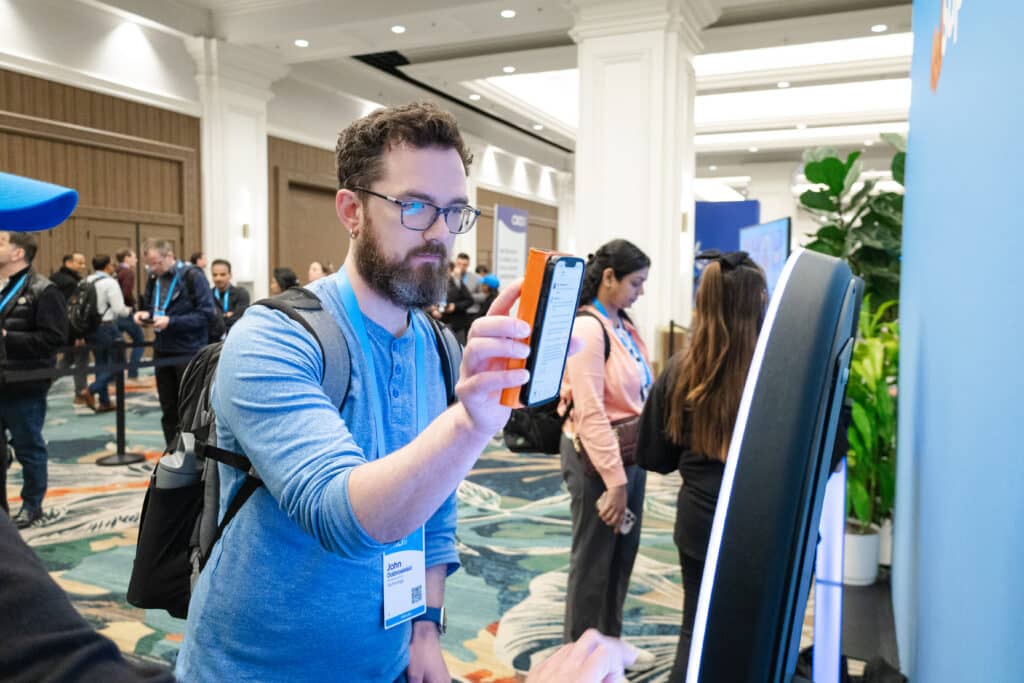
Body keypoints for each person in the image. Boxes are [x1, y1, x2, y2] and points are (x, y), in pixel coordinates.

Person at [175, 101, 534, 682]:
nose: (440, 232)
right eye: (415, 205)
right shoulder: (273, 336)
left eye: (454, 211)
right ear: (351, 209)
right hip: (256, 669)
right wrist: (469, 425)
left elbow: (435, 509)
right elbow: (339, 516)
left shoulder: (439, 345)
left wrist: (424, 629)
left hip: (386, 659)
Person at [636, 250, 766, 680]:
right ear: (761, 302)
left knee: (696, 631)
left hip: (699, 525)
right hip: (763, 526)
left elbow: (655, 458)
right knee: (762, 632)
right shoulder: (780, 376)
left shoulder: (679, 371)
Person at [559, 239, 653, 654]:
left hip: (631, 454)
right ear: (609, 277)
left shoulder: (622, 323)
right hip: (597, 460)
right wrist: (615, 480)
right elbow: (591, 410)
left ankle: (609, 647)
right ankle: (577, 660)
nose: (641, 291)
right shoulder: (587, 328)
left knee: (620, 557)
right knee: (594, 563)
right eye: (636, 282)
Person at [0, 172, 77, 526]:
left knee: (29, 448)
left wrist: (6, 337)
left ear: (18, 251)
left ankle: (32, 505)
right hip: (2, 380)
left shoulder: (44, 291)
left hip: (26, 383)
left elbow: (54, 338)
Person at [134, 240, 215, 447]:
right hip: (162, 348)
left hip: (189, 350)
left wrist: (172, 322)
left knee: (191, 408)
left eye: (157, 263)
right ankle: (172, 451)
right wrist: (147, 315)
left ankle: (196, 456)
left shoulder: (192, 276)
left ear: (170, 255)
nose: (153, 269)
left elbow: (206, 315)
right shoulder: (154, 278)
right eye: (149, 265)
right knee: (167, 407)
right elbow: (157, 308)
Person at [78, 254, 131, 412]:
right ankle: (91, 390)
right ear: (108, 265)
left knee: (100, 364)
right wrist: (130, 311)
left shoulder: (85, 281)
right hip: (107, 327)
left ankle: (104, 402)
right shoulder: (110, 282)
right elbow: (119, 309)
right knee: (119, 364)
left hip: (89, 329)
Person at [51, 252, 89, 399]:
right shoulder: (71, 283)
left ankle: (43, 383)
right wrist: (79, 335)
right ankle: (81, 393)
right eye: (79, 263)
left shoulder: (55, 278)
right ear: (68, 262)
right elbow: (73, 311)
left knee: (68, 360)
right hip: (71, 329)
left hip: (59, 326)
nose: (83, 266)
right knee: (81, 359)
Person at [115, 248, 145, 380]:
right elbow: (126, 293)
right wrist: (133, 303)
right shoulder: (128, 272)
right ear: (127, 258)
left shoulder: (116, 271)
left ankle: (115, 376)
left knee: (118, 344)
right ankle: (133, 373)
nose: (136, 260)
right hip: (126, 313)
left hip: (114, 314)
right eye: (134, 257)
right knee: (140, 341)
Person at [209, 259, 250, 335]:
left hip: (235, 336)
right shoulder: (208, 295)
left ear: (230, 275)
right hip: (212, 341)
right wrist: (226, 316)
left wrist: (219, 317)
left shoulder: (241, 293)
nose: (218, 278)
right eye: (215, 275)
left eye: (222, 274)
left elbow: (239, 319)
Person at [442, 259, 475, 343]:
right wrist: (433, 309)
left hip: (457, 325)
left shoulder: (458, 283)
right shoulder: (433, 284)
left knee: (459, 351)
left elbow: (470, 300)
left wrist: (455, 306)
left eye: (446, 270)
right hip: (438, 324)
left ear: (451, 271)